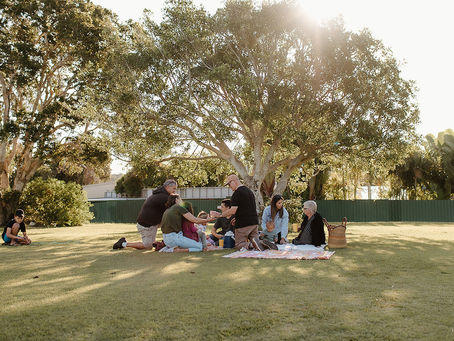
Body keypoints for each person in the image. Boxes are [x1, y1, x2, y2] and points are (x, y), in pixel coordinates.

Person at [113, 179, 177, 250]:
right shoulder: (164, 197)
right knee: (148, 246)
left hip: (153, 223)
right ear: (167, 187)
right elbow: (178, 207)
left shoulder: (161, 194)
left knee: (171, 221)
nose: (175, 191)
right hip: (146, 226)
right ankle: (123, 244)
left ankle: (168, 242)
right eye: (174, 188)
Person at [216, 174, 266, 251]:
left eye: (229, 184)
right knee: (255, 241)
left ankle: (252, 245)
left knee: (239, 244)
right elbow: (247, 208)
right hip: (254, 222)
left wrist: (220, 215)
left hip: (243, 224)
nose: (229, 186)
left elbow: (233, 210)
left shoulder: (236, 193)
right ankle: (260, 243)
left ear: (233, 182)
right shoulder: (249, 191)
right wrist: (237, 217)